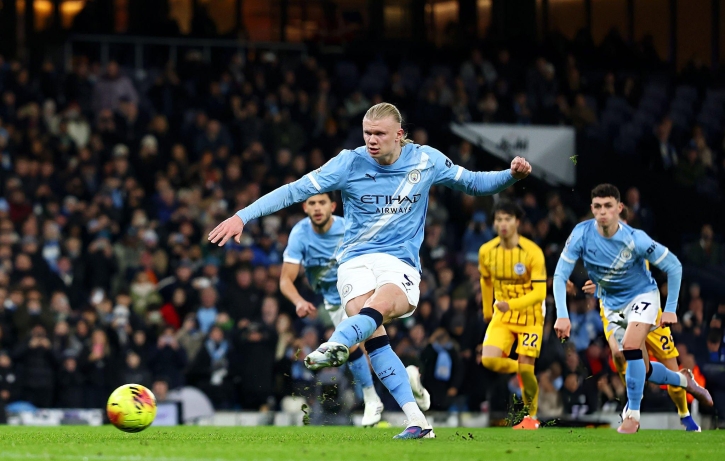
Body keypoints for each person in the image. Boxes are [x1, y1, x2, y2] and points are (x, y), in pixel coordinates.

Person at [209, 102, 532, 439]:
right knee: (373, 337)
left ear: (399, 135)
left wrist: (511, 175)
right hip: (354, 261)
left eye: (379, 134)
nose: (372, 140)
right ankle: (417, 421)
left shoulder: (426, 160)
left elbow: (475, 184)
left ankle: (336, 343)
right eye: (367, 133)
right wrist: (242, 216)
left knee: (377, 307)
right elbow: (294, 190)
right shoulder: (349, 162)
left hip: (399, 261)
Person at [553, 184, 712, 433]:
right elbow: (560, 275)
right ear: (592, 209)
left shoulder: (635, 239)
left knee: (630, 347)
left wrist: (671, 308)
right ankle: (684, 380)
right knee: (641, 367)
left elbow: (674, 266)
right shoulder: (581, 234)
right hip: (612, 305)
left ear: (619, 208)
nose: (603, 212)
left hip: (643, 298)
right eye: (598, 206)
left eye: (608, 206)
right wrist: (562, 315)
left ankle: (635, 415)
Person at [279, 191, 431, 427]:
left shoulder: (348, 227)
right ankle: (407, 381)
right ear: (305, 208)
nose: (317, 207)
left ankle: (372, 398)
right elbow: (285, 279)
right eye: (312, 203)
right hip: (333, 300)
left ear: (332, 206)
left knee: (359, 345)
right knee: (371, 349)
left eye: (322, 202)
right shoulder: (299, 234)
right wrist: (298, 300)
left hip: (361, 290)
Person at [479, 200, 546, 430]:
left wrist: (512, 304)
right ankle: (523, 370)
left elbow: (540, 293)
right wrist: (487, 310)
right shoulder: (486, 251)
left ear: (517, 222)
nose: (503, 224)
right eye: (499, 219)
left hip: (531, 316)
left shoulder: (532, 252)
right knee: (489, 360)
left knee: (527, 367)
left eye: (508, 219)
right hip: (502, 315)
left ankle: (531, 418)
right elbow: (486, 280)